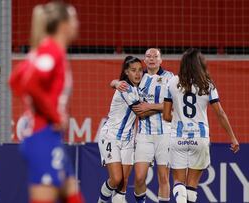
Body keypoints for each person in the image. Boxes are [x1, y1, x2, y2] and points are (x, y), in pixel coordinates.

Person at [9, 2, 84, 203]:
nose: (78, 24)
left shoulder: (43, 50)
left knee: (72, 194)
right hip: (42, 136)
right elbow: (31, 84)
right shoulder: (52, 51)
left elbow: (15, 81)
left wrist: (34, 109)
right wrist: (54, 115)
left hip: (47, 136)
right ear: (63, 25)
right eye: (74, 19)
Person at [163, 48, 239, 203]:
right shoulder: (207, 85)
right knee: (192, 186)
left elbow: (165, 115)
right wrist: (233, 138)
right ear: (200, 64)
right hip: (200, 138)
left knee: (178, 182)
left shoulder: (172, 82)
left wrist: (179, 121)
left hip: (178, 138)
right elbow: (220, 113)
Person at [112, 48, 173, 202]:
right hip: (144, 134)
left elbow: (173, 106)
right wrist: (115, 83)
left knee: (163, 177)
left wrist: (149, 106)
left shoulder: (170, 78)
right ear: (145, 60)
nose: (152, 58)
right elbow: (120, 84)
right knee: (139, 178)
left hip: (165, 133)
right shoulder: (140, 77)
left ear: (161, 60)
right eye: (148, 56)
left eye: (155, 56)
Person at [97, 56, 143, 203]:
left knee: (123, 183)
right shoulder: (125, 88)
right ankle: (101, 200)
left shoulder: (140, 87)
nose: (137, 74)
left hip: (128, 139)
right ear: (126, 72)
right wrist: (164, 108)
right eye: (133, 70)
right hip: (111, 136)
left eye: (140, 70)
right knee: (116, 179)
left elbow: (113, 83)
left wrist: (114, 82)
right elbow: (141, 111)